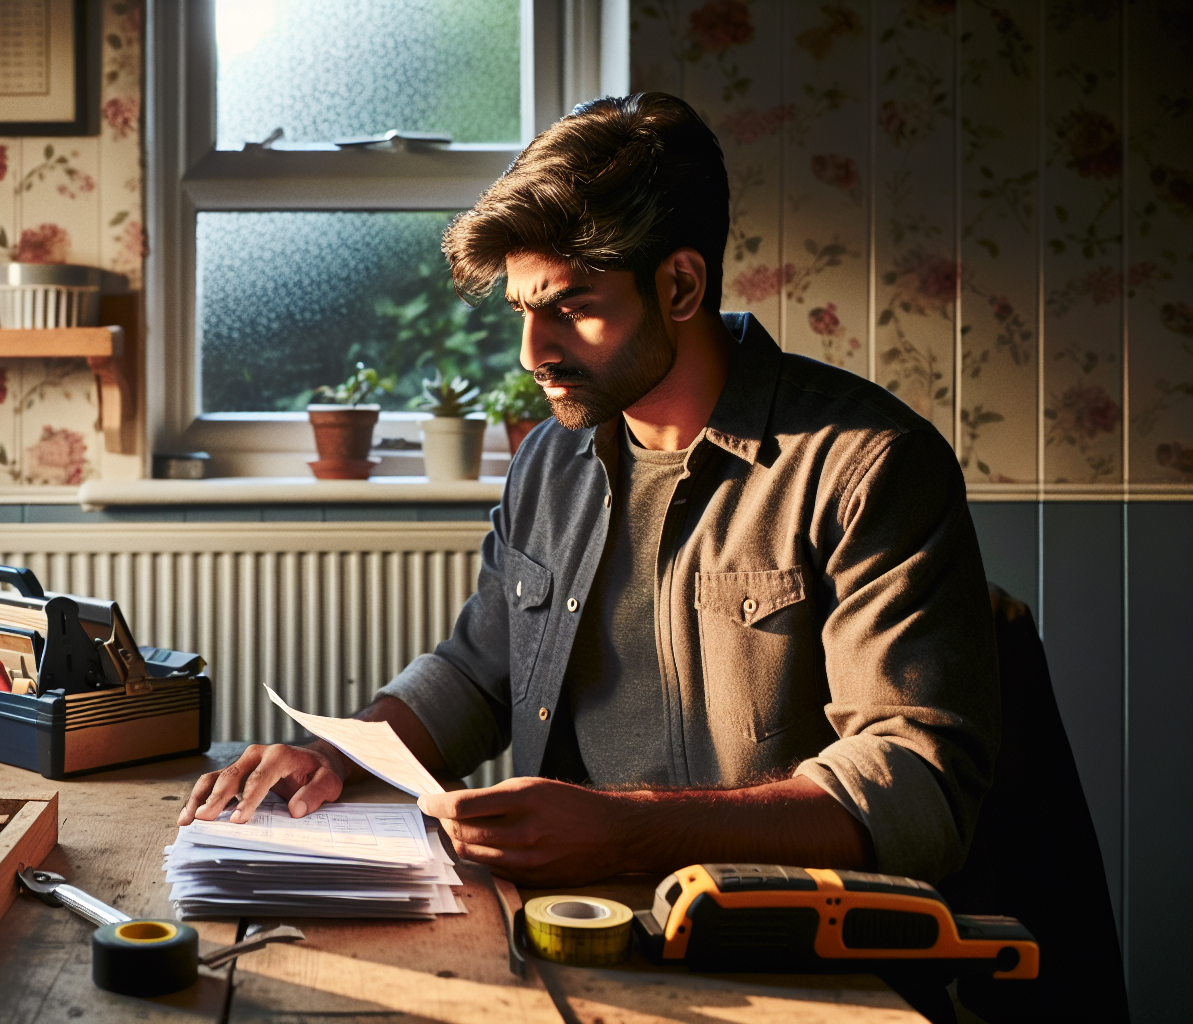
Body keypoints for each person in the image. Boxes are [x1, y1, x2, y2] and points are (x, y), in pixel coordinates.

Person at [178, 92, 999, 889]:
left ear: (679, 286)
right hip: (574, 924)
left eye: (571, 307)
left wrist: (626, 833)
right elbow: (477, 672)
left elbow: (914, 787)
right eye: (521, 311)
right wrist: (340, 758)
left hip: (785, 945)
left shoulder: (868, 467)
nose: (534, 352)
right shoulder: (548, 462)